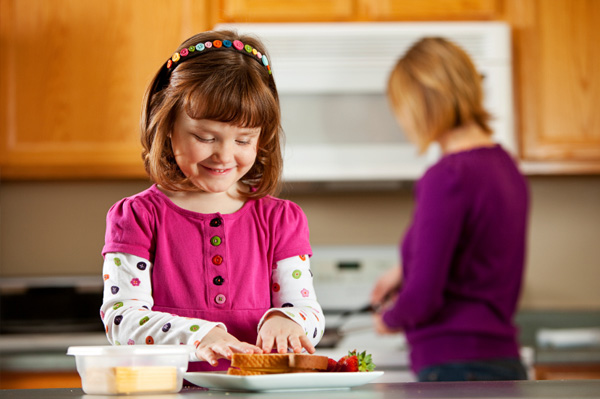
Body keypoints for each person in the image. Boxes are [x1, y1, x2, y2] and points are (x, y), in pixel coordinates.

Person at [100, 30, 325, 372]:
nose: (224, 155)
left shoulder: (281, 220)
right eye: (205, 137)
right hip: (169, 392)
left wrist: (287, 320)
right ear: (168, 124)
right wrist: (200, 336)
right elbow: (121, 319)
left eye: (244, 139)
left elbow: (309, 312)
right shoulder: (136, 217)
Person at [370, 37, 529, 382]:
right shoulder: (507, 168)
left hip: (455, 366)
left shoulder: (447, 176)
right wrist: (402, 268)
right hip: (502, 361)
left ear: (422, 103)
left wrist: (388, 319)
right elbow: (474, 251)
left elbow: (423, 298)